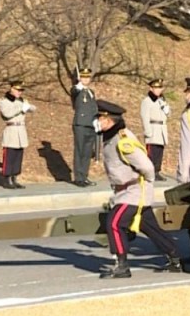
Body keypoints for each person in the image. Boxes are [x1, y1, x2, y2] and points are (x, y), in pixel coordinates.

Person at [94, 99, 182, 279]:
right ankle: (175, 258)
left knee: (114, 223)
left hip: (133, 192)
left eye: (100, 118)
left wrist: (144, 184)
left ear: (109, 120)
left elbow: (147, 166)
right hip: (126, 191)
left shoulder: (122, 141)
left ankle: (122, 265)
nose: (97, 121)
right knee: (150, 227)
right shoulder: (111, 138)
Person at [0, 80, 36, 189]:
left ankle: (15, 178)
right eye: (18, 90)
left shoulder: (21, 100)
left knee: (18, 157)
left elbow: (33, 108)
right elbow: (7, 113)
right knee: (9, 156)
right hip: (11, 129)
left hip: (21, 130)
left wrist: (26, 106)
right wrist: (20, 108)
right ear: (12, 89)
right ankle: (7, 179)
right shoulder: (4, 101)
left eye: (21, 90)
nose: (20, 92)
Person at [70, 67, 99, 187]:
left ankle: (85, 176)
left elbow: (93, 107)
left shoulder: (91, 92)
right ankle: (78, 178)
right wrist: (78, 86)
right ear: (80, 78)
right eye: (83, 77)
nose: (86, 79)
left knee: (87, 152)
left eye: (87, 77)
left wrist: (96, 120)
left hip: (90, 124)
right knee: (80, 150)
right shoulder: (77, 89)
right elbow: (73, 93)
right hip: (80, 124)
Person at [139, 78, 170, 178]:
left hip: (161, 129)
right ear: (151, 88)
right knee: (152, 153)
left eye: (160, 88)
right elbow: (145, 117)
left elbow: (168, 115)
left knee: (159, 152)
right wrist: (148, 131)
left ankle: (156, 171)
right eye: (156, 88)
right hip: (152, 128)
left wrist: (166, 108)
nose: (159, 90)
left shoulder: (161, 101)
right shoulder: (147, 101)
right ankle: (149, 172)